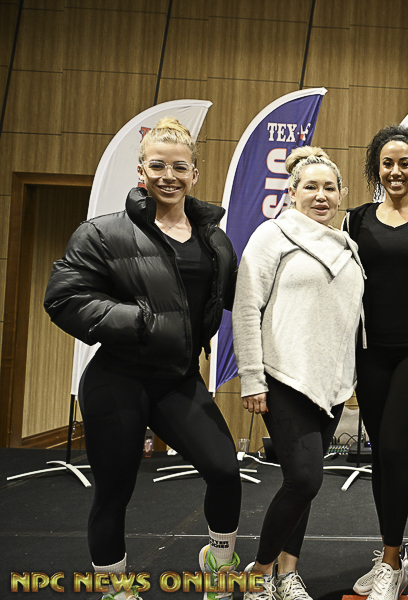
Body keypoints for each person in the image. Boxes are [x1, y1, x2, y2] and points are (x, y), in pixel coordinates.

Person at [43, 117, 242, 600]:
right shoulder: (103, 232)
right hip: (118, 378)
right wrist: (141, 321)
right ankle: (114, 587)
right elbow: (64, 298)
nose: (168, 176)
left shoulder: (214, 239)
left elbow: (240, 299)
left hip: (178, 378)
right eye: (158, 166)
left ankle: (218, 564)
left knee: (224, 470)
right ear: (141, 170)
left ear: (194, 172)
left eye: (179, 167)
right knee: (114, 490)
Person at [232, 147, 365, 600]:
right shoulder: (272, 235)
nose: (321, 195)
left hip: (330, 386)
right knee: (305, 479)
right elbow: (246, 307)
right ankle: (259, 572)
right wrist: (252, 377)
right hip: (283, 377)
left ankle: (287, 574)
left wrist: (349, 379)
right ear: (292, 192)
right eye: (311, 187)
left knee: (303, 486)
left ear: (342, 194)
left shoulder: (348, 247)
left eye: (329, 188)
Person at [342, 125, 408, 600]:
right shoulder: (354, 221)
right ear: (376, 168)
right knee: (382, 459)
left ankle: (391, 562)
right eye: (387, 163)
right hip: (370, 353)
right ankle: (394, 554)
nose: (396, 171)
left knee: (391, 448)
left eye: (405, 163)